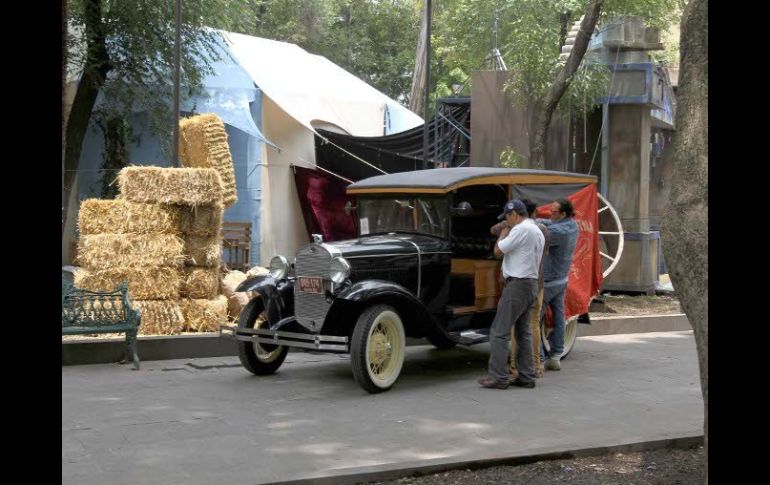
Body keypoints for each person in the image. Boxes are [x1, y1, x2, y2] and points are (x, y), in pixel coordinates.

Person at [478, 199, 544, 389]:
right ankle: (527, 376)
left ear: (514, 214)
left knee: (498, 332)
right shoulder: (536, 229)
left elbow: (498, 251)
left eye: (507, 217)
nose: (507, 221)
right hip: (530, 284)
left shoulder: (520, 229)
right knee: (523, 332)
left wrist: (503, 233)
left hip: (518, 284)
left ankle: (498, 377)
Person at [509, 199, 549, 379]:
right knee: (533, 324)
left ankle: (514, 365)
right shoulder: (543, 230)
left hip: (521, 282)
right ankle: (536, 365)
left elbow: (493, 231)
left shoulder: (519, 229)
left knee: (516, 325)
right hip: (538, 283)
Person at [539, 198, 579, 371]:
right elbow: (547, 222)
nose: (550, 213)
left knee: (535, 318)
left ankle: (538, 357)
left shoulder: (558, 231)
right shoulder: (572, 225)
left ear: (563, 214)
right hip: (561, 278)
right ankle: (555, 355)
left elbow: (539, 233)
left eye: (554, 211)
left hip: (549, 280)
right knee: (559, 317)